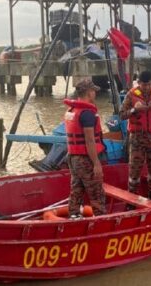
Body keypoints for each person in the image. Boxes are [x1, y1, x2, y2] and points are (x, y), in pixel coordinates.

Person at [64, 79, 107, 216]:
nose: (95, 93)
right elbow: (89, 141)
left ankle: (73, 217)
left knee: (76, 189)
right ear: (89, 93)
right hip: (85, 159)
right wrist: (96, 163)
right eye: (93, 91)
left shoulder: (72, 110)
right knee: (97, 194)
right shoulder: (87, 113)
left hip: (73, 157)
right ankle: (101, 222)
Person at [119, 70, 151, 198]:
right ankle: (132, 199)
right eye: (144, 85)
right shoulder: (131, 95)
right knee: (134, 170)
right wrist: (134, 110)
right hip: (137, 138)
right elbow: (121, 115)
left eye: (149, 84)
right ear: (138, 83)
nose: (147, 88)